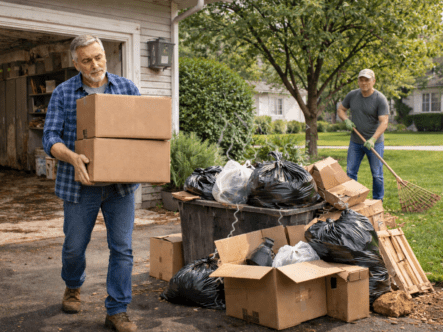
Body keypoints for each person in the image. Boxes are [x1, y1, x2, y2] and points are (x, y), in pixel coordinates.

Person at [43, 35, 139, 332]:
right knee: (74, 247)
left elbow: (142, 130)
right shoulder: (63, 93)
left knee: (122, 248)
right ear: (76, 63)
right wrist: (72, 157)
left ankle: (117, 310)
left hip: (120, 187)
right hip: (79, 186)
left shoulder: (126, 88)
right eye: (87, 60)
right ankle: (73, 286)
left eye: (99, 57)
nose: (95, 64)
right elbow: (50, 138)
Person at [337, 69, 389, 201]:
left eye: (367, 80)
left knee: (377, 175)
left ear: (373, 81)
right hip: (356, 142)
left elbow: (384, 122)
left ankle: (378, 201)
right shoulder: (352, 95)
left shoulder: (380, 98)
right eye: (361, 79)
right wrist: (346, 120)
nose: (364, 82)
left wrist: (373, 139)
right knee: (351, 173)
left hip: (374, 143)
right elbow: (341, 109)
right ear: (358, 81)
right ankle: (353, 200)